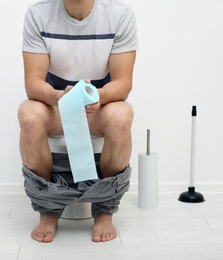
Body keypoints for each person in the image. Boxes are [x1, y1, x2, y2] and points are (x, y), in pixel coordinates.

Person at [18, 0, 138, 243]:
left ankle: (104, 209)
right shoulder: (38, 14)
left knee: (121, 116)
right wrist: (61, 98)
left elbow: (123, 84)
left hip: (97, 107)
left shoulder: (119, 14)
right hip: (57, 107)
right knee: (29, 115)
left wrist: (95, 96)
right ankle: (49, 209)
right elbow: (33, 83)